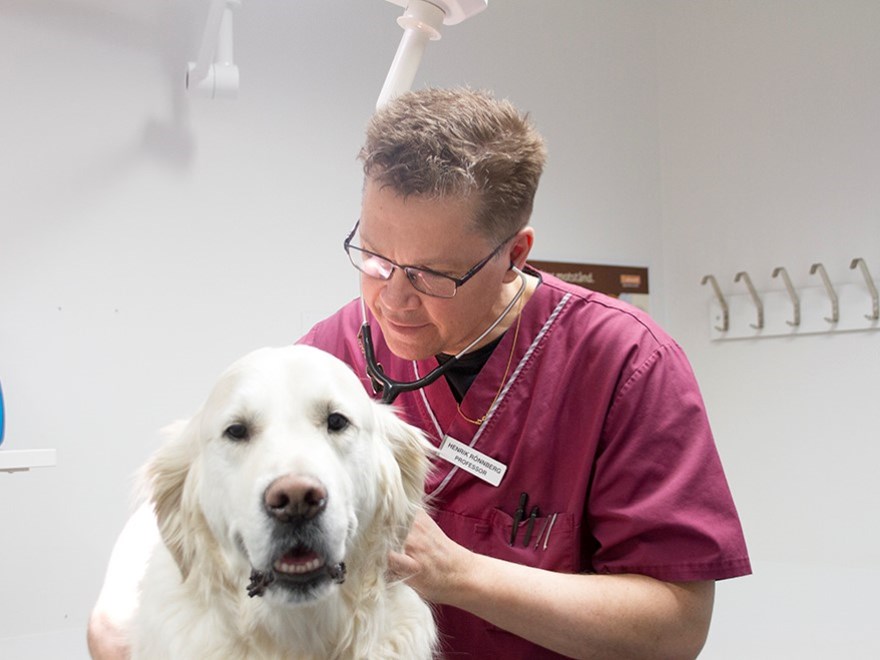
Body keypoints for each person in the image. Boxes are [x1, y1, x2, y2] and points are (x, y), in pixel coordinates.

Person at [89, 87, 750, 659]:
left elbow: (675, 627)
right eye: (375, 256)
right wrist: (122, 601)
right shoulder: (334, 354)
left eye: (434, 274)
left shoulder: (626, 365)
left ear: (514, 254)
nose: (393, 301)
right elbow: (208, 470)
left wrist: (457, 574)